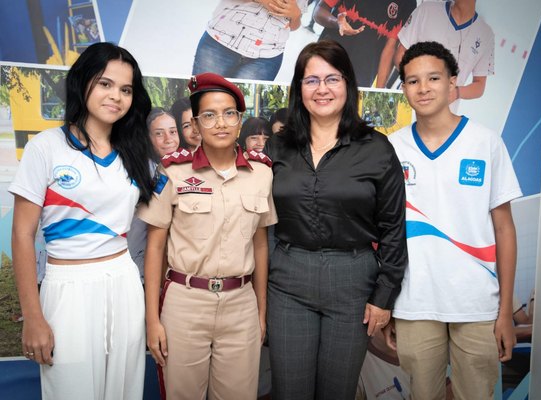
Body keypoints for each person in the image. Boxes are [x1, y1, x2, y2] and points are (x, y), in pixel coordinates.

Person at [9, 42, 154, 399]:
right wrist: (33, 316)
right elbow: (22, 234)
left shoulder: (134, 154)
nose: (115, 96)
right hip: (67, 288)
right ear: (83, 82)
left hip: (123, 284)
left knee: (124, 390)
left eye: (125, 89)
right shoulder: (46, 147)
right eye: (105, 84)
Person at [266, 39, 407, 400]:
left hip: (353, 282)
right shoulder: (277, 148)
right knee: (290, 390)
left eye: (332, 78)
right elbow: (259, 220)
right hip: (287, 282)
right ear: (299, 88)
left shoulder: (376, 148)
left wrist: (384, 297)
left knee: (337, 392)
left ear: (348, 85)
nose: (322, 89)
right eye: (311, 80)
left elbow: (393, 227)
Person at [385, 41, 521, 399]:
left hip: (477, 303)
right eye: (413, 81)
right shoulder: (391, 149)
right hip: (415, 302)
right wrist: (387, 302)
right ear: (403, 90)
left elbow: (504, 229)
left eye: (433, 78)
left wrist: (505, 310)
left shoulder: (485, 143)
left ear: (452, 83)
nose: (423, 88)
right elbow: (383, 231)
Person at [139, 72, 278, 399]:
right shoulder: (173, 171)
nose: (221, 123)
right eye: (209, 115)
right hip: (185, 303)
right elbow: (155, 247)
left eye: (229, 113)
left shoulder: (262, 173)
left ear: (239, 122)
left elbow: (260, 244)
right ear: (195, 126)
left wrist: (260, 312)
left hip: (240, 303)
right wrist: (152, 320)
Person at [394, 0, 494, 108]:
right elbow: (400, 54)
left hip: (442, 116)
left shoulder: (485, 34)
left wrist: (456, 93)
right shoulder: (428, 9)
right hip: (406, 105)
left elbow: (479, 85)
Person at [192, 0, 308, 81]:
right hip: (220, 42)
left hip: (268, 56)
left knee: (241, 108)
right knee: (204, 98)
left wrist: (296, 15)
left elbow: (293, 26)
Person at [314, 0, 415, 88]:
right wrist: (337, 22)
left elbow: (390, 47)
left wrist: (379, 91)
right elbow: (319, 11)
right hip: (327, 59)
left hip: (361, 77)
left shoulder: (407, 3)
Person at [127, 108, 179, 282]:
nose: (168, 139)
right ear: (146, 138)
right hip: (137, 268)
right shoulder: (142, 171)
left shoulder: (175, 169)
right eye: (159, 133)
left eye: (173, 131)